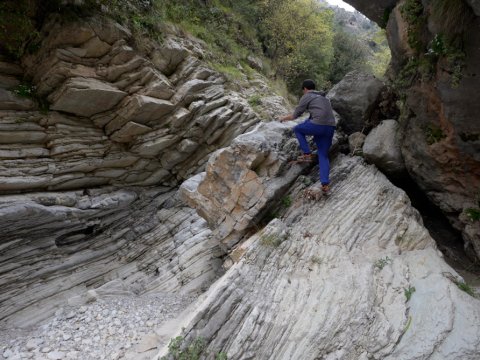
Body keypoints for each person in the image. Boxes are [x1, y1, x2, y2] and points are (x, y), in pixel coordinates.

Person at [280, 79, 336, 193]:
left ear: (305, 89)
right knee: (323, 155)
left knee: (298, 129)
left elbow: (295, 115)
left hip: (319, 126)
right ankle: (325, 184)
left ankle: (306, 154)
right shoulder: (324, 98)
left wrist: (282, 118)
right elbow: (316, 115)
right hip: (330, 127)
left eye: (303, 90)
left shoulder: (307, 96)